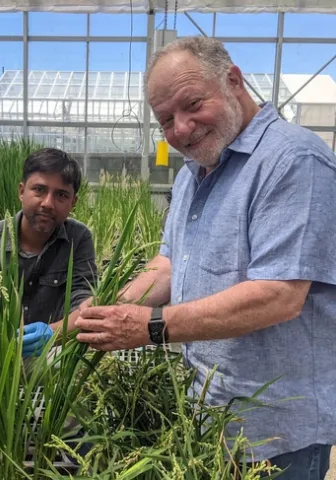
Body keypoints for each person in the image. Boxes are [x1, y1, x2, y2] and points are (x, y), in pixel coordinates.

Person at [74, 36, 336, 479]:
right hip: (211, 418)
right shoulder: (193, 176)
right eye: (165, 121)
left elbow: (278, 295)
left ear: (233, 80)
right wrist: (109, 310)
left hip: (277, 434)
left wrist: (151, 326)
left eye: (192, 104)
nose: (180, 129)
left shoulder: (293, 160)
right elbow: (170, 265)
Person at [0, 147, 97, 356]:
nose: (48, 203)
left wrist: (52, 334)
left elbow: (83, 303)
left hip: (53, 354)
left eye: (61, 195)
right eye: (39, 190)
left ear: (73, 203)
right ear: (21, 191)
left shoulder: (78, 239)